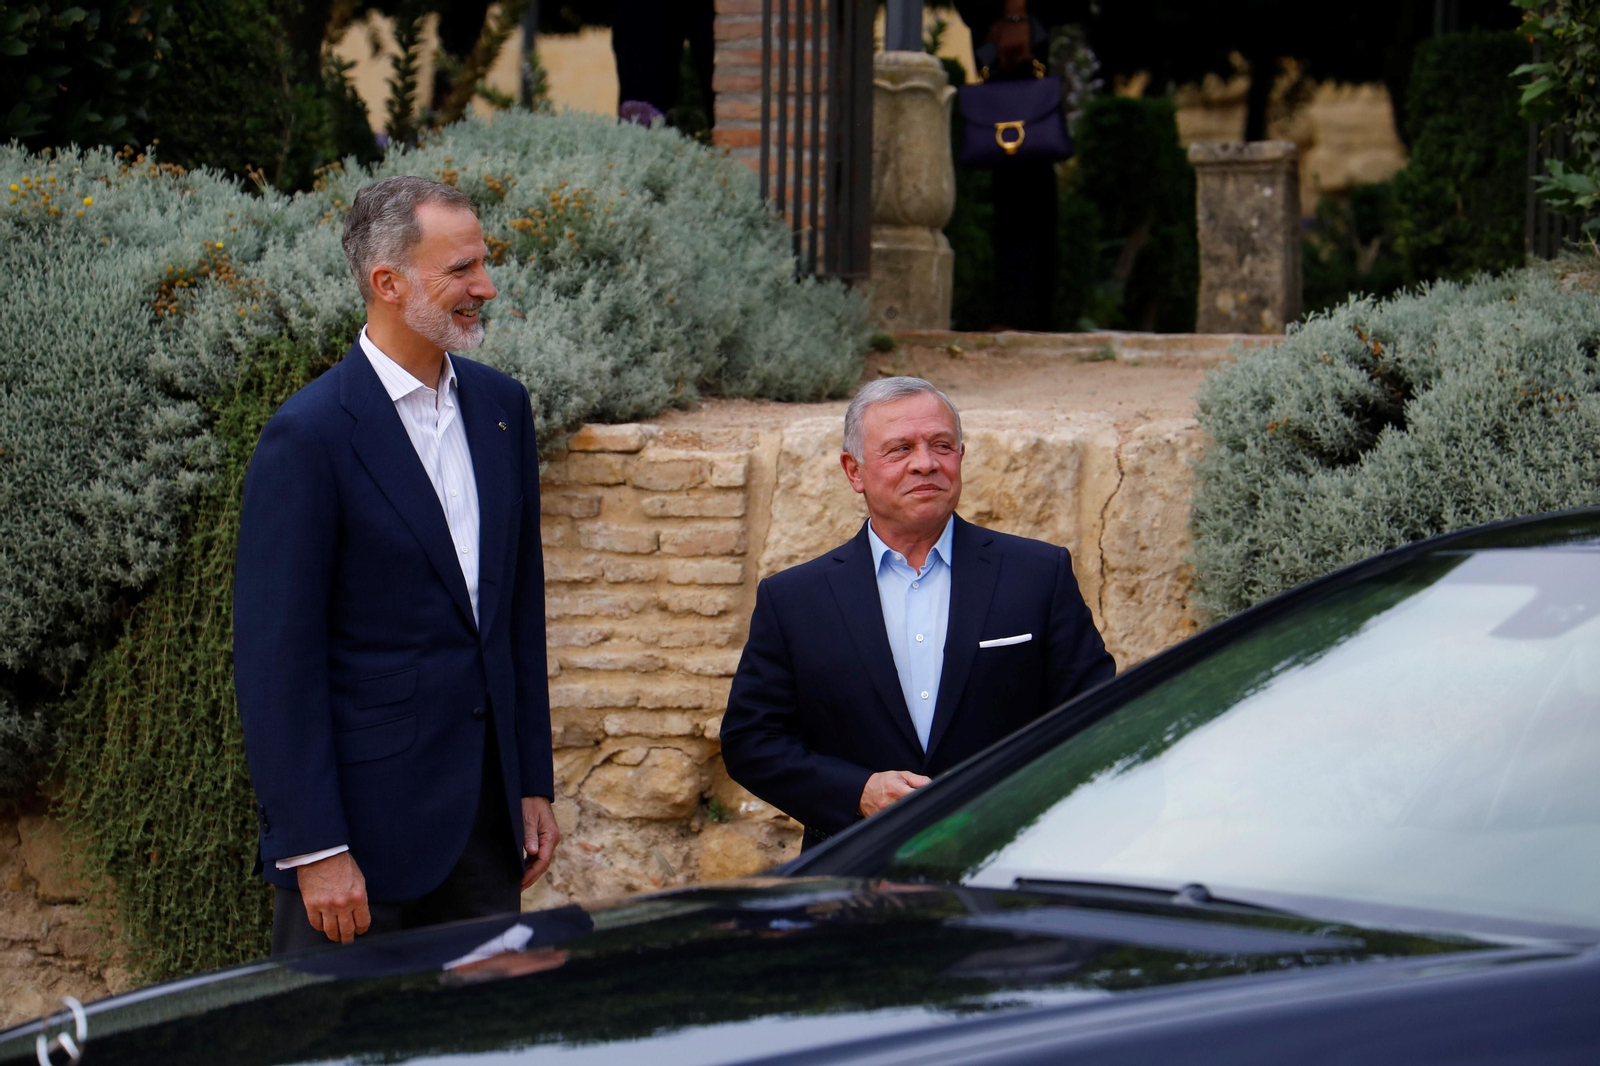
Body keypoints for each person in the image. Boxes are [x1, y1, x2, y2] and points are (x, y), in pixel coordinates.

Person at [234, 175, 561, 954]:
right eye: (461, 270)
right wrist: (314, 848)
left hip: (487, 839)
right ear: (387, 283)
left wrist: (531, 781)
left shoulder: (504, 409)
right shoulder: (307, 437)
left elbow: (517, 615)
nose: (485, 286)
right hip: (360, 852)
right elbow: (276, 664)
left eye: (483, 263)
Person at [720, 377, 1115, 848]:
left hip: (1010, 862)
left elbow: (1097, 717)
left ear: (961, 458)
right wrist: (858, 793)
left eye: (941, 445)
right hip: (855, 876)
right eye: (899, 449)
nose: (925, 463)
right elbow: (752, 742)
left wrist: (1014, 802)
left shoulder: (1038, 574)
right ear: (854, 471)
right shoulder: (795, 599)